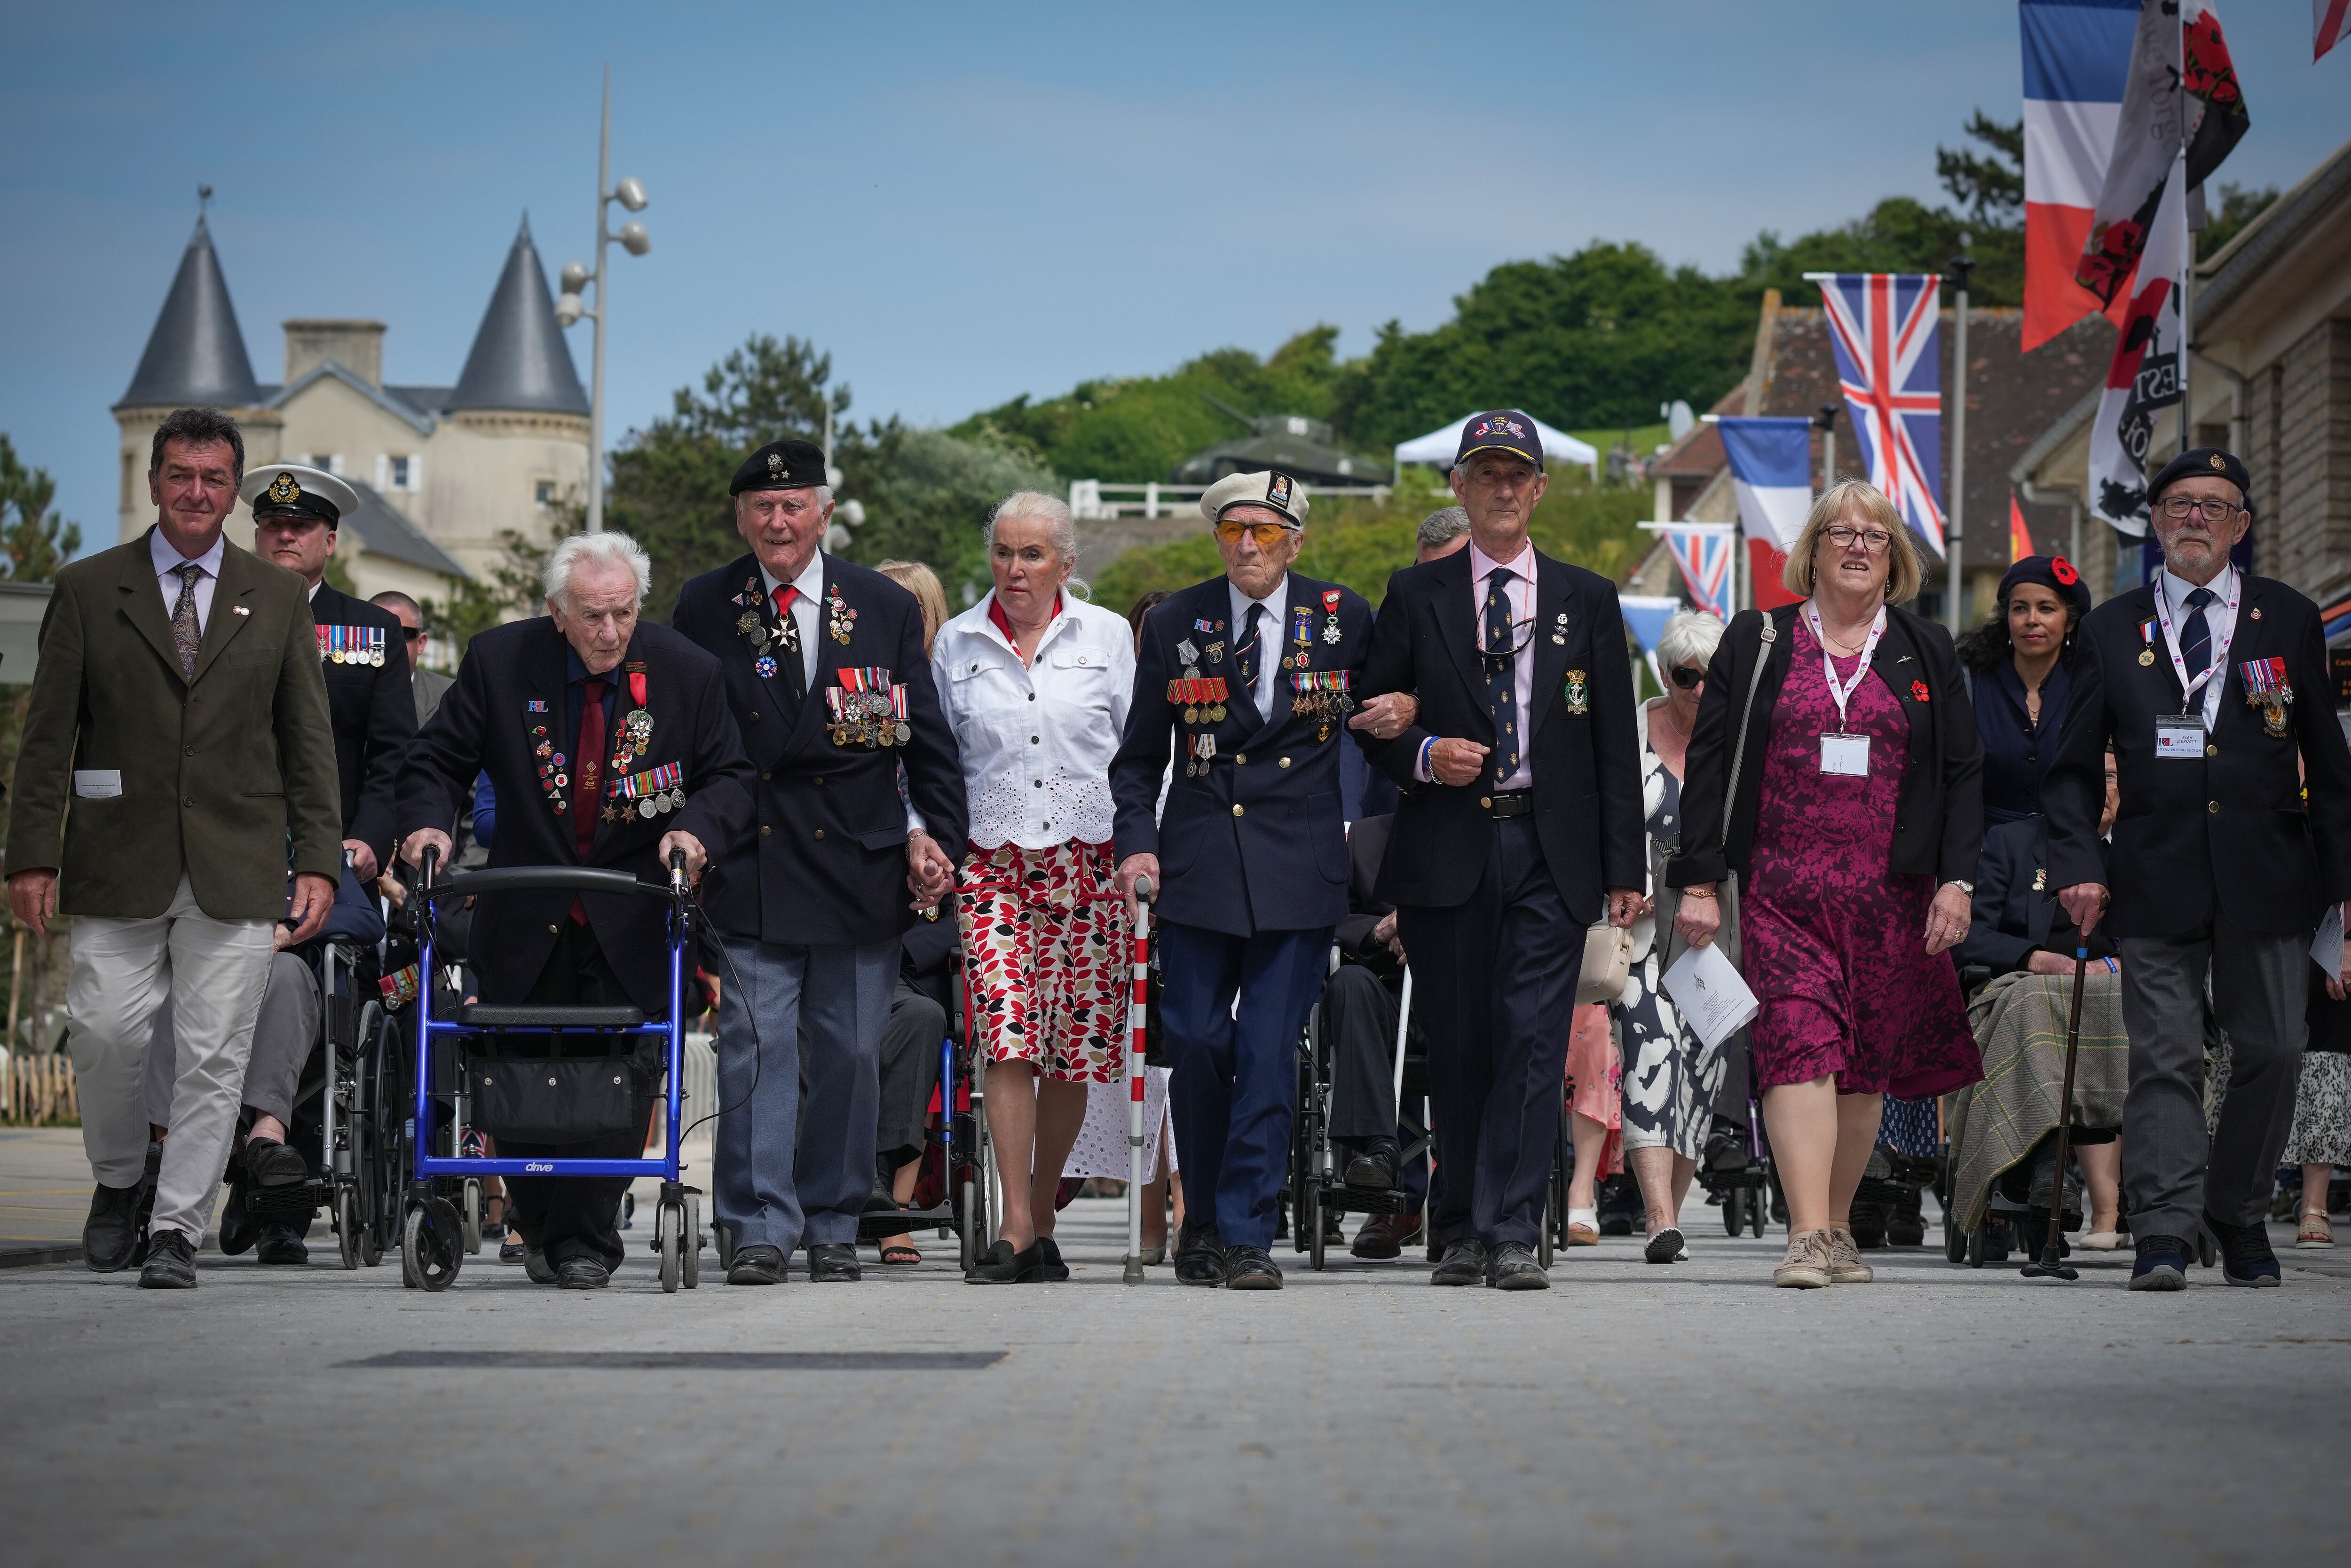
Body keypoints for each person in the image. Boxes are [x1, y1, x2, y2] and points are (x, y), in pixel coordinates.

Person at [6, 406, 342, 1289]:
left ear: (234, 494)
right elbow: (47, 738)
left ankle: (175, 1231)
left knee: (214, 1052)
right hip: (117, 854)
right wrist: (31, 855)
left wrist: (318, 857)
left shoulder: (272, 595)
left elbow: (307, 737)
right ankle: (120, 1181)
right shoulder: (86, 588)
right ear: (154, 483)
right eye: (182, 476)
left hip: (234, 859)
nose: (198, 493)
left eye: (215, 479)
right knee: (108, 1037)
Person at [396, 530, 755, 1289]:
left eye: (623, 613)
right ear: (556, 611)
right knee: (516, 1076)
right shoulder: (501, 661)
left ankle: (586, 1236)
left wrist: (695, 829)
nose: (610, 633)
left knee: (619, 1082)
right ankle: (540, 1222)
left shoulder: (686, 672)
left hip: (630, 917)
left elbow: (731, 776)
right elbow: (437, 759)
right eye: (592, 616)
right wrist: (428, 822)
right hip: (526, 912)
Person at [2049, 447, 2351, 1291]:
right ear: (2155, 521)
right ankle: (2166, 1230)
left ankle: (2239, 1207)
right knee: (2167, 1059)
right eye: (2180, 504)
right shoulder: (2110, 628)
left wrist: (2344, 888)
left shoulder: (2289, 619)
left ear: (2241, 527)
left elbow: (2329, 764)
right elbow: (2071, 770)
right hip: (2154, 872)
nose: (2195, 519)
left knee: (2276, 1051)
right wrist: (2078, 862)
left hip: (2269, 874)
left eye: (2215, 507)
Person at [1355, 412, 1645, 1291]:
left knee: (1529, 1042)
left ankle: (1513, 1226)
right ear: (1459, 487)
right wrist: (1421, 754)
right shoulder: (1415, 595)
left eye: (1518, 475)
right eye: (1487, 474)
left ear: (1541, 489)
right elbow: (1370, 721)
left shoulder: (1585, 598)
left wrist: (1625, 866)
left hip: (1549, 853)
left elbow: (1612, 752)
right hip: (1448, 844)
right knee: (1461, 1044)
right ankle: (1458, 1227)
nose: (1504, 489)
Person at [1671, 479, 1983, 1290]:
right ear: (1812, 551)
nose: (1857, 547)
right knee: (1798, 1047)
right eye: (1841, 533)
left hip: (1893, 898)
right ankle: (1806, 1233)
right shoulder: (1759, 639)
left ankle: (1838, 1224)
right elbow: (1709, 765)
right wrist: (1700, 880)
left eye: (1874, 537)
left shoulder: (1927, 648)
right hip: (1782, 890)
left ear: (1894, 557)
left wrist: (1959, 882)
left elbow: (1961, 773)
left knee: (1862, 1069)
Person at [670, 438, 965, 1287]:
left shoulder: (879, 603)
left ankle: (834, 1217)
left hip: (857, 863)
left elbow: (924, 737)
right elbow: (694, 738)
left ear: (825, 513)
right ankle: (758, 1224)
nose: (778, 520)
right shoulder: (706, 603)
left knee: (849, 1050)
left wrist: (938, 832)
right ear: (740, 518)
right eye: (762, 507)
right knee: (754, 1048)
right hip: (754, 858)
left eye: (794, 504)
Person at [1110, 470, 1375, 1291]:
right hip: (1200, 862)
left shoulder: (1342, 617)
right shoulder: (1178, 621)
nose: (1248, 547)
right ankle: (1206, 1218)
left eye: (1265, 533)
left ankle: (1246, 1232)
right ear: (1216, 539)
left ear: (1296, 541)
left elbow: (1385, 720)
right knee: (1194, 1042)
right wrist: (1135, 844)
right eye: (1234, 532)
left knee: (1266, 1050)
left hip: (1297, 865)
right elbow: (1138, 759)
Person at [931, 492, 1134, 1283]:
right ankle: (1016, 1220)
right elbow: (933, 762)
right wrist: (927, 835)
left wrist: (1143, 851)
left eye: (1032, 556)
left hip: (1090, 864)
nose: (1014, 570)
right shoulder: (957, 642)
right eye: (1004, 554)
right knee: (1008, 1038)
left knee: (1071, 1053)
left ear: (1066, 565)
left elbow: (1141, 756)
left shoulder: (1109, 637)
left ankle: (1045, 1209)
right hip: (993, 867)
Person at [141, 864, 385, 1265]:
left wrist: (290, 925)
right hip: (212, 988)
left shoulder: (313, 855)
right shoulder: (213, 850)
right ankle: (168, 1142)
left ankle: (267, 1138)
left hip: (293, 991)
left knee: (284, 971)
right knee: (171, 990)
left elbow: (366, 919)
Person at [1613, 609, 1733, 1265]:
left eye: (1714, 677)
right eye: (1687, 676)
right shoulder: (1630, 730)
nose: (1700, 690)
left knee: (1702, 1068)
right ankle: (1657, 1214)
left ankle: (1673, 1215)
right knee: (1650, 1046)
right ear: (1665, 673)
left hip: (1715, 932)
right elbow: (1602, 819)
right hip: (1637, 926)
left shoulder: (1741, 738)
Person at [242, 464, 417, 887]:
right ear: (257, 536)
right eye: (273, 524)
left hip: (336, 855)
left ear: (331, 541)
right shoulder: (220, 619)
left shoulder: (373, 630)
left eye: (301, 526)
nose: (285, 535)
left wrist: (370, 838)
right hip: (232, 849)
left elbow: (393, 753)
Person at [868, 556, 955, 1267]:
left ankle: (892, 1205)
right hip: (851, 913)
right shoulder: (851, 698)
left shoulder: (947, 700)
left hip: (925, 934)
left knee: (923, 1018)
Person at [1956, 555, 2091, 826]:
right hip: (1985, 852)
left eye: (2047, 609)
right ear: (2007, 618)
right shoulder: (1970, 683)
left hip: (2065, 847)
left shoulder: (2088, 688)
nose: (2032, 620)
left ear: (2070, 622)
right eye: (2020, 609)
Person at [372, 590, 454, 727]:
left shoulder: (451, 696)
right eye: (376, 633)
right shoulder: (340, 689)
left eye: (400, 633)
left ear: (421, 643)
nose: (385, 643)